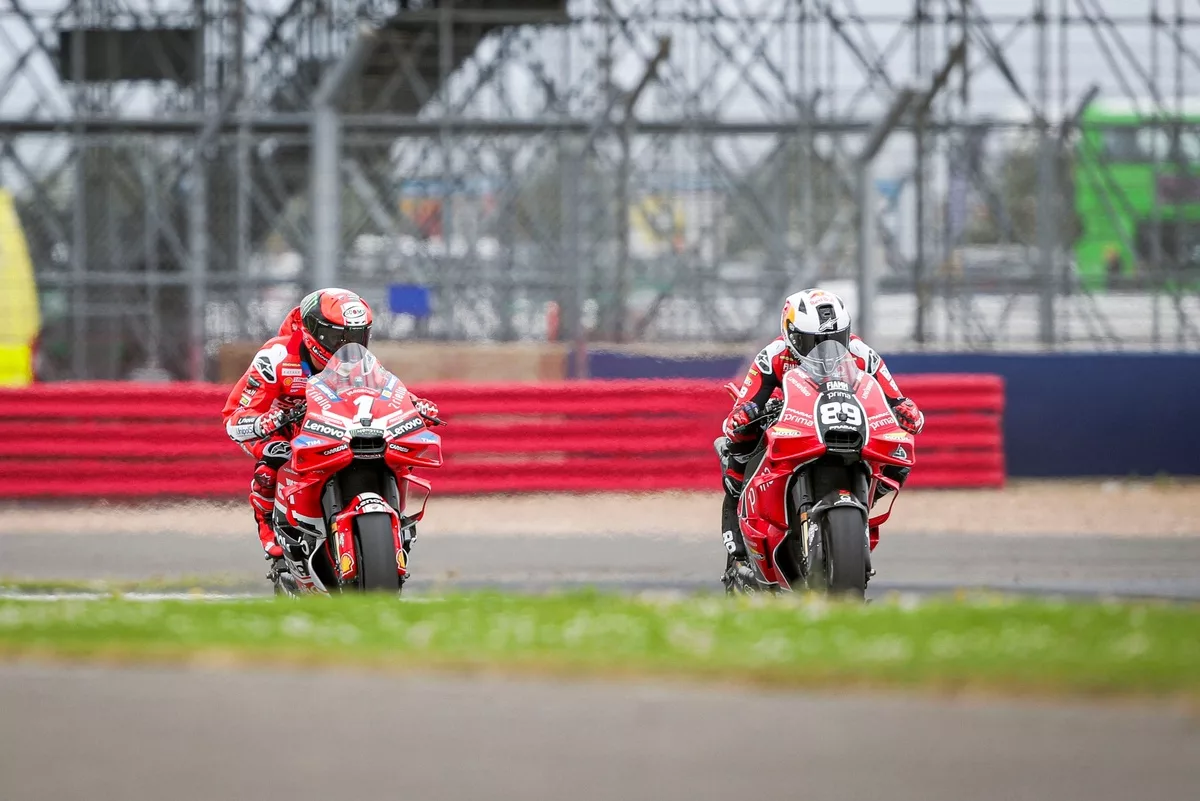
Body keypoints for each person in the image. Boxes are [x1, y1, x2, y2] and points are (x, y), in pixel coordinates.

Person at [221, 288, 440, 570]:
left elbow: (387, 391)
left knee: (390, 449)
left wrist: (415, 405)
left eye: (357, 336)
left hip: (336, 427)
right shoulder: (276, 357)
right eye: (339, 337)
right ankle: (269, 530)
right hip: (284, 428)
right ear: (314, 333)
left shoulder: (363, 362)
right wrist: (263, 422)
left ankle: (394, 521)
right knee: (274, 457)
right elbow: (235, 414)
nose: (348, 345)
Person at [717, 288, 924, 566]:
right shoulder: (773, 355)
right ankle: (735, 505)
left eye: (835, 339)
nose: (825, 348)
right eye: (812, 341)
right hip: (792, 418)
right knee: (741, 437)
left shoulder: (862, 353)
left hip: (843, 418)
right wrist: (744, 415)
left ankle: (865, 502)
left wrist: (905, 411)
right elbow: (745, 403)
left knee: (898, 455)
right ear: (791, 335)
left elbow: (895, 398)